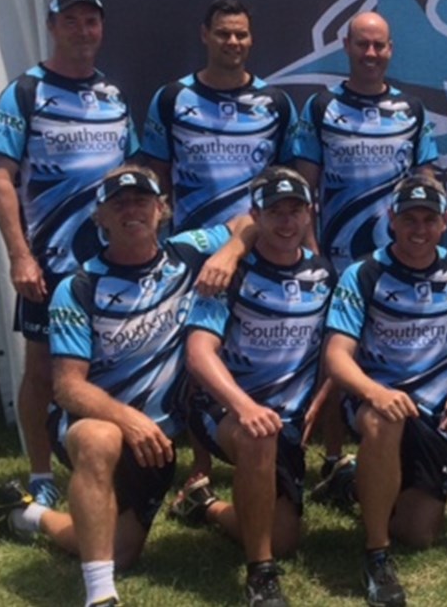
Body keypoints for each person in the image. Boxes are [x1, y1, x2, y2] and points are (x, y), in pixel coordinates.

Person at [0, 166, 251, 607]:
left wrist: (231, 251)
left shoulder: (190, 252)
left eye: (142, 200)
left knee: (120, 551)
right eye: (117, 204)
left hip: (156, 443)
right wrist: (129, 420)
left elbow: (247, 221)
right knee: (101, 437)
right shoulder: (77, 287)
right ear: (98, 217)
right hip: (97, 426)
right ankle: (100, 596)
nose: (131, 210)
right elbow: (67, 389)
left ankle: (24, 515)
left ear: (162, 210)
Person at [0, 0, 139, 509]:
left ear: (101, 29)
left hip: (106, 264)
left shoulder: (113, 95)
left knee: (101, 368)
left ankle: (104, 461)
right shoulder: (24, 92)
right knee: (42, 368)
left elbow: (131, 173)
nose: (82, 30)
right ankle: (40, 473)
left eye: (90, 21)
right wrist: (19, 255)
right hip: (47, 265)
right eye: (70, 21)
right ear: (53, 27)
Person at [168, 167, 335, 607]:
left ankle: (203, 504)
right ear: (254, 216)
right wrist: (244, 407)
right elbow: (199, 354)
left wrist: (322, 396)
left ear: (309, 214)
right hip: (225, 410)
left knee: (284, 537)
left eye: (295, 211)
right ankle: (261, 575)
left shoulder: (323, 274)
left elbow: (337, 348)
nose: (286, 222)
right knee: (259, 436)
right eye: (275, 212)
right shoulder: (228, 273)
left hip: (287, 419)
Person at [292, 11, 439, 492]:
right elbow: (304, 187)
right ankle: (334, 458)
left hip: (398, 256)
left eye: (379, 46)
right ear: (346, 47)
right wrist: (311, 251)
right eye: (362, 45)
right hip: (335, 255)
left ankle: (393, 441)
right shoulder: (320, 108)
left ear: (391, 50)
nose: (371, 54)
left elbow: (427, 180)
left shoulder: (412, 110)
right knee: (334, 354)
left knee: (389, 347)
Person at [325, 176, 447, 607]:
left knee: (420, 533)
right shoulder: (365, 273)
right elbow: (336, 357)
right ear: (390, 219)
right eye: (408, 218)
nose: (418, 228)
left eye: (429, 219)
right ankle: (377, 555)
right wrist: (375, 392)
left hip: (432, 416)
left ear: (446, 221)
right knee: (384, 417)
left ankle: (355, 483)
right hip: (373, 401)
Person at [142, 0, 297, 234]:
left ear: (251, 38)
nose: (233, 42)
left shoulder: (277, 103)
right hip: (191, 245)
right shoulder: (171, 98)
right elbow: (158, 176)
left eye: (241, 35)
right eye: (223, 34)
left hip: (257, 244)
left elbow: (292, 181)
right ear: (205, 35)